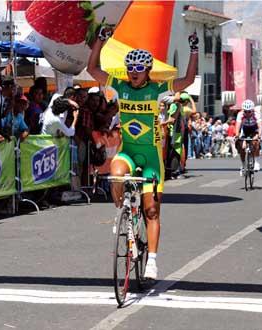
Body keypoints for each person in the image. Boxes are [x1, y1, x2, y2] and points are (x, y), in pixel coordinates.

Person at [87, 25, 198, 280]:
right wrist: (100, 40)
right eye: (130, 68)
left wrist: (194, 50)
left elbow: (189, 81)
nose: (133, 72)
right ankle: (123, 212)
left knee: (151, 212)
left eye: (138, 69)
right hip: (129, 152)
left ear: (147, 71)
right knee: (116, 174)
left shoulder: (158, 90)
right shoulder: (119, 86)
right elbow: (93, 69)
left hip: (151, 158)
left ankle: (153, 262)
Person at [236, 99, 261, 175]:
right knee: (241, 147)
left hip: (254, 130)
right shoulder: (240, 114)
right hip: (244, 130)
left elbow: (260, 126)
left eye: (249, 111)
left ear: (252, 110)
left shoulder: (256, 114)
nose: (247, 113)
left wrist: (259, 136)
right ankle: (243, 165)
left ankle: (256, 162)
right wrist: (237, 135)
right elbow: (237, 126)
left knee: (255, 142)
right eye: (245, 111)